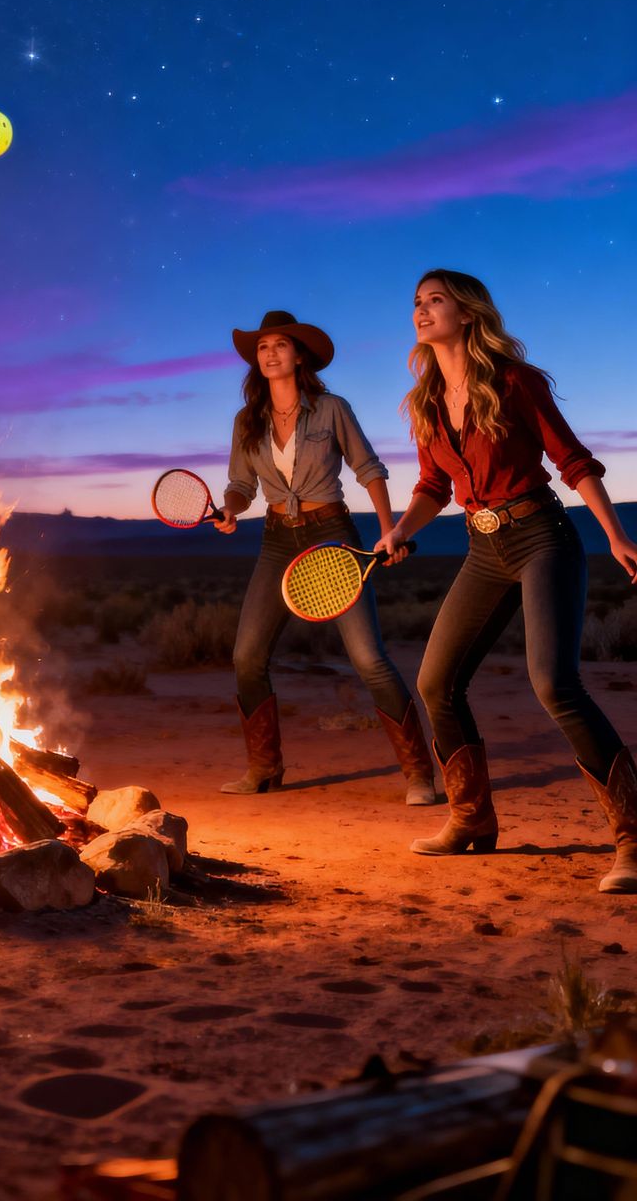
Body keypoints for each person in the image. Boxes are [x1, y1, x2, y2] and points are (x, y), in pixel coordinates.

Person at [374, 270, 637, 892]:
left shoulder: (516, 382)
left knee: (554, 683)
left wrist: (616, 533)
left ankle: (631, 840)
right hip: (481, 547)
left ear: (467, 314)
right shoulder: (426, 403)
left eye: (435, 300)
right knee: (436, 682)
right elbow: (434, 487)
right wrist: (399, 530)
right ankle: (471, 820)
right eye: (416, 302)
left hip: (542, 535)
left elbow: (572, 460)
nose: (421, 310)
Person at [215, 310, 437, 803]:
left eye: (280, 345)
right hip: (276, 540)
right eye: (262, 347)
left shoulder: (332, 407)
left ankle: (420, 774)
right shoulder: (246, 421)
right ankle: (264, 769)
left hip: (332, 535)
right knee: (246, 656)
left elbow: (369, 468)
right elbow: (240, 485)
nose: (270, 353)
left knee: (368, 658)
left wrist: (389, 532)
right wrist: (229, 510)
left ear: (299, 356)